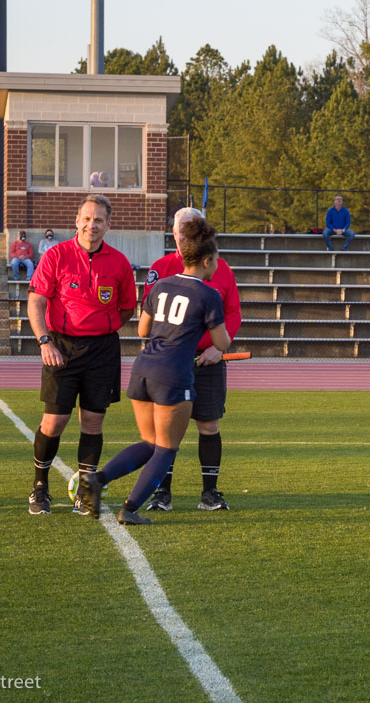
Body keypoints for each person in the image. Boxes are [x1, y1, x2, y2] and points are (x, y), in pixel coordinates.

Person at [83, 218, 231, 525]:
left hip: (143, 367)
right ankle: (130, 508)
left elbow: (142, 329)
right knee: (166, 448)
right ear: (206, 260)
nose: (217, 265)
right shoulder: (208, 294)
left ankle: (98, 479)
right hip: (174, 373)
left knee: (150, 443)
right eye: (216, 259)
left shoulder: (161, 284)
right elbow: (221, 342)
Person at [25, 194, 137, 516]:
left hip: (102, 350)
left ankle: (85, 494)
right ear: (77, 221)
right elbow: (36, 301)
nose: (92, 225)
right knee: (54, 421)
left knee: (92, 421)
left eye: (98, 220)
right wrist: (45, 341)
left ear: (108, 224)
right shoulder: (56, 255)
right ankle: (39, 488)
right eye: (86, 218)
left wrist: (105, 325)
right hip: (61, 347)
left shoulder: (118, 262)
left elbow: (127, 308)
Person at [143, 207, 242, 513]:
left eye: (194, 227)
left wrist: (218, 350)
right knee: (166, 428)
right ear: (174, 233)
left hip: (208, 361)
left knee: (208, 425)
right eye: (182, 228)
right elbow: (148, 322)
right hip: (172, 362)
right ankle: (162, 492)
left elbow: (233, 313)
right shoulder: (160, 268)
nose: (187, 233)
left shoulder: (221, 268)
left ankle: (210, 493)